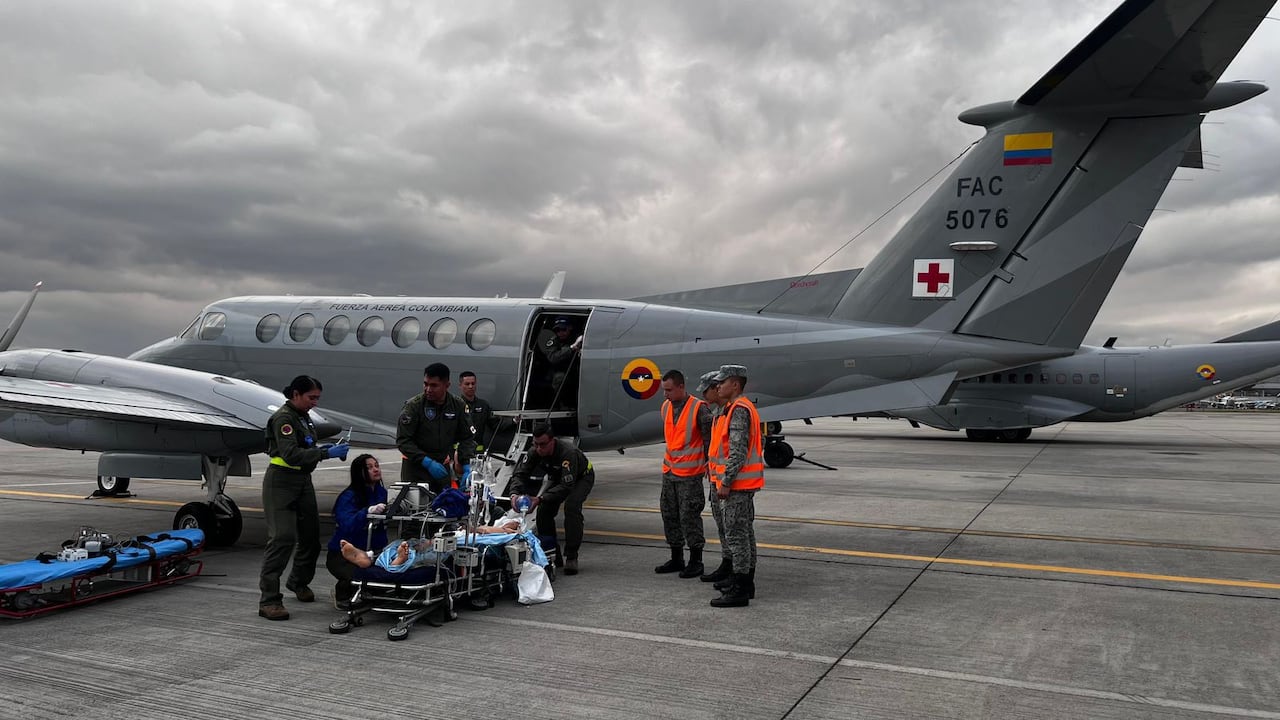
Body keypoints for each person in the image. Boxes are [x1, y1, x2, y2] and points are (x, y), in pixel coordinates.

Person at [259, 375, 350, 621]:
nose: (315, 403)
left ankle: (298, 581)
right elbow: (290, 454)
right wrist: (326, 454)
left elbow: (306, 448)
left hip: (302, 481)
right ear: (296, 394)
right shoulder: (283, 419)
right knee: (282, 538)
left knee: (310, 537)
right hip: (281, 482)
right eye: (311, 397)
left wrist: (324, 451)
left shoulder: (302, 417)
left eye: (317, 398)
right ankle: (269, 600)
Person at [706, 364, 764, 608]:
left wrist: (726, 481)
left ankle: (740, 588)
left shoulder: (739, 410)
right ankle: (744, 583)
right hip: (741, 484)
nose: (718, 385)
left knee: (737, 536)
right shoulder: (735, 408)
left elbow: (738, 451)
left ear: (735, 384)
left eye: (722, 382)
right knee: (743, 534)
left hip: (737, 485)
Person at [507, 424, 595, 575]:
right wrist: (514, 494)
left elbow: (567, 486)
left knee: (572, 507)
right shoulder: (535, 451)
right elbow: (520, 474)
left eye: (543, 444)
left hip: (580, 477)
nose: (539, 449)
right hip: (559, 477)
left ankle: (572, 556)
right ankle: (552, 552)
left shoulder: (568, 453)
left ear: (552, 441)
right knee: (543, 512)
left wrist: (539, 498)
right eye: (536, 444)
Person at [654, 369, 711, 578]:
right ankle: (677, 557)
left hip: (690, 473)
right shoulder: (666, 407)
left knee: (689, 517)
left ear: (681, 387)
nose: (665, 394)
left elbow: (709, 440)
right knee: (669, 514)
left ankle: (696, 561)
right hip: (669, 471)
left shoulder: (699, 409)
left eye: (669, 390)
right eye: (664, 390)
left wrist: (709, 464)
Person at [397, 363, 477, 495]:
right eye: (425, 384)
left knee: (444, 504)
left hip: (442, 468)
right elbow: (403, 440)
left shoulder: (457, 406)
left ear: (446, 385)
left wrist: (467, 465)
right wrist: (427, 462)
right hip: (416, 469)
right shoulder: (414, 406)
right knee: (416, 507)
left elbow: (467, 437)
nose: (428, 389)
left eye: (434, 385)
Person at [325, 454, 388, 609]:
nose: (375, 470)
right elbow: (347, 524)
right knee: (357, 574)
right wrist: (367, 512)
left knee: (383, 578)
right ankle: (342, 593)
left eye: (376, 466)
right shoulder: (349, 496)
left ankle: (366, 589)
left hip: (372, 551)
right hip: (343, 555)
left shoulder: (382, 493)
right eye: (369, 467)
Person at [692, 371, 734, 585]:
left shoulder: (732, 412)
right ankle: (727, 564)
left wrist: (726, 480)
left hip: (730, 483)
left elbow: (737, 450)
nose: (704, 396)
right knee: (721, 526)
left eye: (707, 390)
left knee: (733, 529)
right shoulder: (718, 412)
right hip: (716, 480)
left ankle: (735, 571)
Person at [532, 316, 581, 408]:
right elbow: (553, 357)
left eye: (563, 329)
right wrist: (572, 348)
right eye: (557, 330)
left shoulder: (576, 338)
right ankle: (561, 405)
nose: (560, 333)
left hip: (576, 371)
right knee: (559, 379)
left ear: (570, 328)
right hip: (559, 371)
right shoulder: (553, 341)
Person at [459, 370, 511, 453]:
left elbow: (495, 424)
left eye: (473, 383)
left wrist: (513, 420)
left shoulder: (483, 405)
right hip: (458, 454)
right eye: (467, 384)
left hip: (478, 455)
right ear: (460, 385)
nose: (470, 386)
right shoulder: (454, 405)